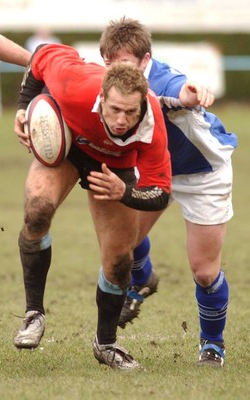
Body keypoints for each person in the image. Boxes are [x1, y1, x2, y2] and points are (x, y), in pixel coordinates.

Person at [13, 43, 172, 370]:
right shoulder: (76, 83)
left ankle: (106, 344)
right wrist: (24, 106)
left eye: (131, 112)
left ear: (144, 102)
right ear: (101, 97)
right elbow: (42, 54)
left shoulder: (152, 121)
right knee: (36, 213)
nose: (121, 120)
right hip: (69, 146)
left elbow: (160, 191)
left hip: (115, 170)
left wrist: (124, 193)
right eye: (114, 109)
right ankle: (33, 314)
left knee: (119, 262)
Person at [99, 17, 237, 367]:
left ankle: (213, 344)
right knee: (121, 245)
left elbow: (180, 90)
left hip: (202, 171)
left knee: (205, 272)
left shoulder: (162, 79)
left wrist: (192, 95)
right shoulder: (107, 86)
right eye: (111, 65)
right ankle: (143, 279)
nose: (119, 75)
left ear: (146, 61)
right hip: (154, 168)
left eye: (127, 65)